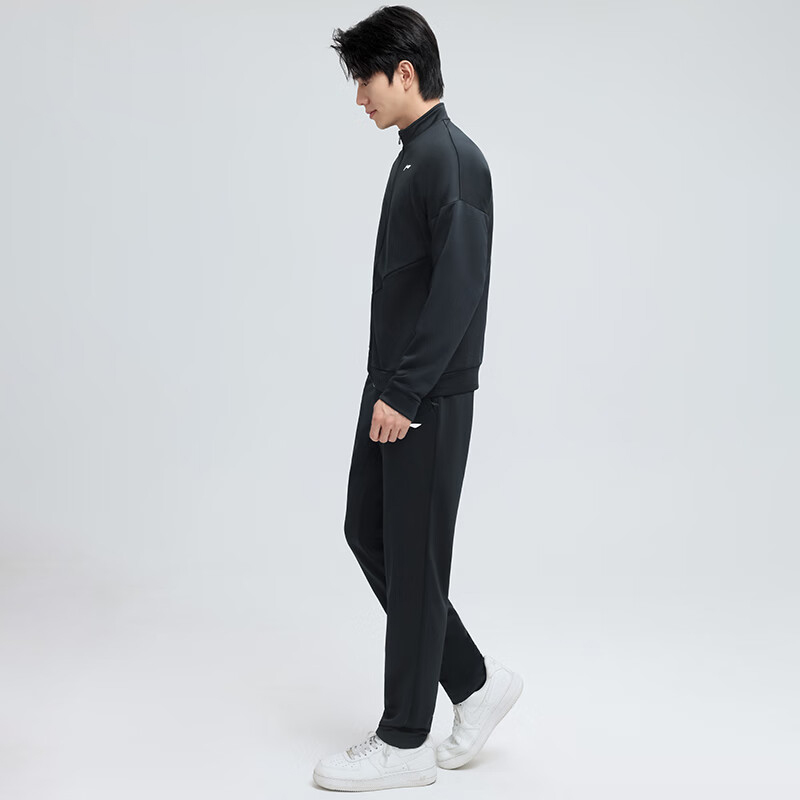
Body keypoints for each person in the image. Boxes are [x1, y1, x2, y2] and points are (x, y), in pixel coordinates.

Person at [314, 6, 523, 791]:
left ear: (404, 72)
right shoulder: (414, 156)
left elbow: (461, 288)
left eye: (364, 80)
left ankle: (404, 739)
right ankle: (474, 682)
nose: (359, 98)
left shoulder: (452, 160)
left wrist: (405, 390)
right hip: (395, 386)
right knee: (368, 531)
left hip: (423, 395)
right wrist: (386, 385)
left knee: (411, 553)